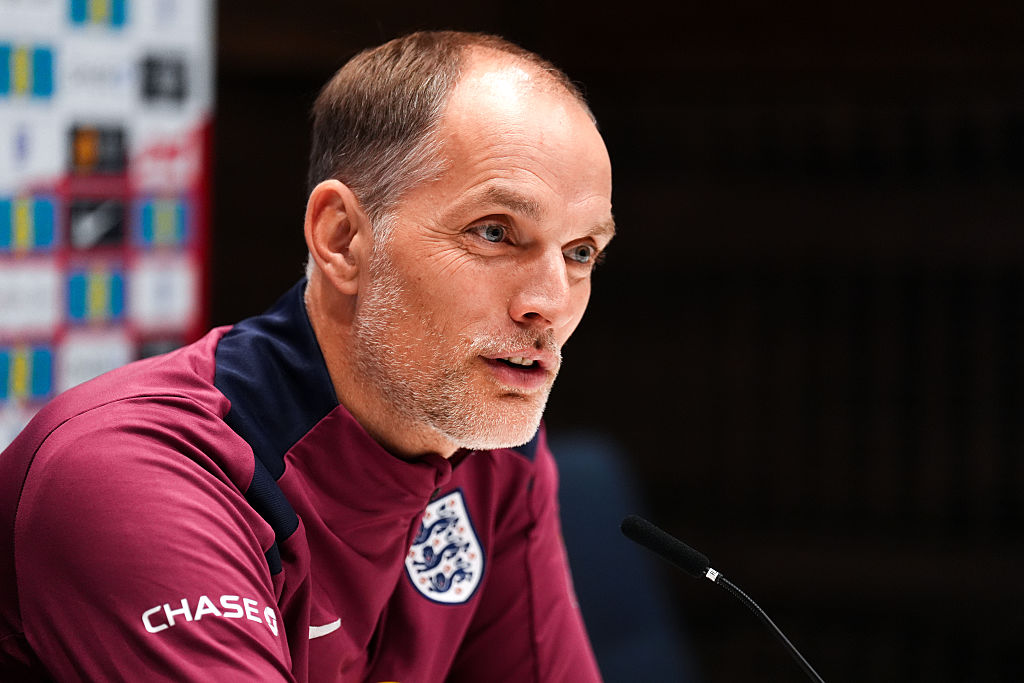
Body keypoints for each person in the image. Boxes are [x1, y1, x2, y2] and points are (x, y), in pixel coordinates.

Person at [0, 30, 615, 682]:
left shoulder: (492, 453)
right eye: (494, 232)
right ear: (342, 238)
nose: (550, 303)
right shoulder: (139, 471)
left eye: (580, 252)